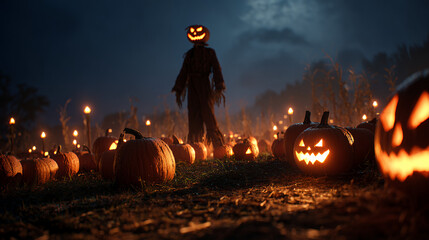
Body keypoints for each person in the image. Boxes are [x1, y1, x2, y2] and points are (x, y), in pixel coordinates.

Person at [172, 25, 225, 147]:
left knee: (208, 111)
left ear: (205, 34)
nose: (195, 33)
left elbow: (217, 68)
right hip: (192, 86)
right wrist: (179, 88)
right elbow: (184, 71)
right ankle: (196, 144)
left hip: (204, 83)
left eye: (198, 31)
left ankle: (217, 144)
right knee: (194, 112)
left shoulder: (210, 52)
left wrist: (219, 85)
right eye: (192, 31)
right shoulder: (189, 55)